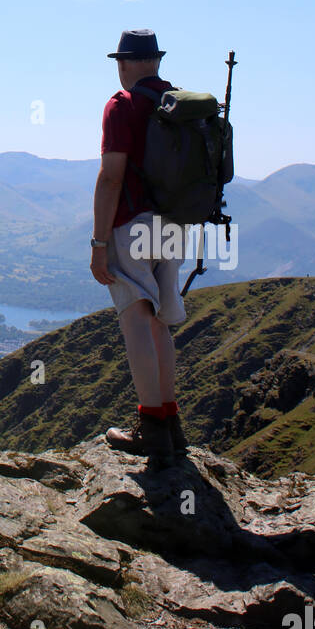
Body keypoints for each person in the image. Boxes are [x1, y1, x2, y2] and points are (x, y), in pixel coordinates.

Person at [90, 30, 189, 461]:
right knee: (158, 323)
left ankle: (151, 429)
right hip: (176, 223)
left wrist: (98, 242)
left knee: (136, 318)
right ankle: (170, 425)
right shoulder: (178, 104)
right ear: (156, 60)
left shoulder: (122, 105)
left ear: (127, 62)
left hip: (133, 223)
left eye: (120, 61)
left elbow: (112, 175)